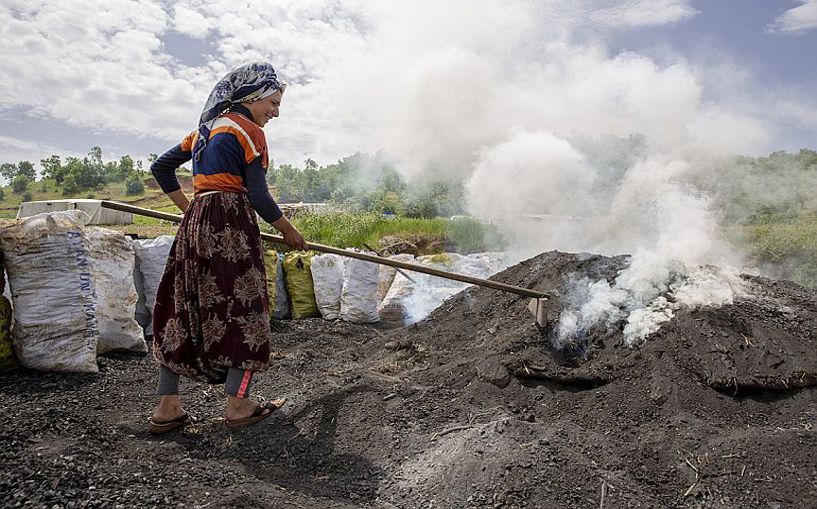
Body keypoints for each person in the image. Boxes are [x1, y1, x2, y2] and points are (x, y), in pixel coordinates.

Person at [147, 62, 307, 433]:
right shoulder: (248, 131)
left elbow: (161, 168)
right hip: (231, 225)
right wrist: (287, 229)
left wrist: (191, 209)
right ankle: (239, 403)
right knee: (247, 308)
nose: (276, 112)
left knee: (183, 307)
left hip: (197, 223)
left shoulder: (204, 131)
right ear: (252, 95)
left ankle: (167, 407)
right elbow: (257, 195)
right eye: (273, 102)